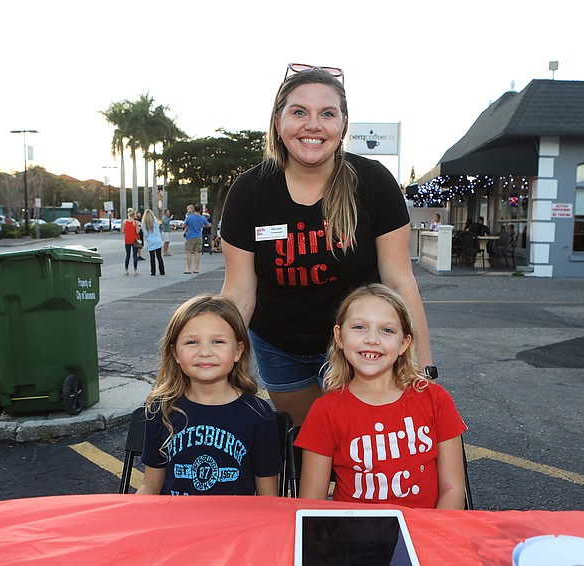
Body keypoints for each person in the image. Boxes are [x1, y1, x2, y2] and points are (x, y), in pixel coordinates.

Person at [220, 63, 435, 425]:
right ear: (278, 123)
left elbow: (400, 282)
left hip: (359, 344)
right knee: (308, 447)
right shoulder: (249, 191)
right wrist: (212, 364)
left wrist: (423, 369)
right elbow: (239, 293)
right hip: (278, 345)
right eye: (299, 112)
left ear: (342, 125)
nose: (313, 125)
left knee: (360, 448)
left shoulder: (373, 183)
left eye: (327, 113)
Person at [295, 284, 467, 509]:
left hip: (425, 533)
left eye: (387, 330)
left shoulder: (435, 400)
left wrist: (433, 538)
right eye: (359, 327)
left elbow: (453, 489)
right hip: (354, 537)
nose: (372, 339)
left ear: (404, 343)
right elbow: (312, 503)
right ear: (339, 336)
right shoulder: (326, 411)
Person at [136, 294, 282, 496]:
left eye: (218, 341)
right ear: (175, 353)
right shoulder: (162, 409)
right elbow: (151, 485)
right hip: (177, 524)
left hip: (235, 526)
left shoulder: (258, 414)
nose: (205, 351)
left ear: (238, 351)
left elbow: (268, 497)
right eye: (192, 342)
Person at [182, 204, 210, 274]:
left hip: (190, 236)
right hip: (198, 236)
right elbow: (208, 225)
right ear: (200, 210)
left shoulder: (189, 218)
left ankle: (188, 269)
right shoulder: (202, 218)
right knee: (196, 253)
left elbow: (183, 225)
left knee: (188, 253)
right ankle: (196, 268)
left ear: (194, 209)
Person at [141, 209, 165, 276]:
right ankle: (162, 271)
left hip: (151, 241)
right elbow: (158, 229)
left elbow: (145, 234)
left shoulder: (144, 224)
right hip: (158, 240)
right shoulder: (156, 221)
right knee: (159, 257)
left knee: (152, 257)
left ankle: (153, 271)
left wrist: (148, 238)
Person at [122, 207, 140, 276]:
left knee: (127, 255)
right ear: (134, 214)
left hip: (127, 240)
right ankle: (135, 270)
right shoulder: (135, 222)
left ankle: (126, 270)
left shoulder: (124, 222)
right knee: (135, 255)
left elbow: (123, 231)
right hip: (134, 240)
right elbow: (137, 231)